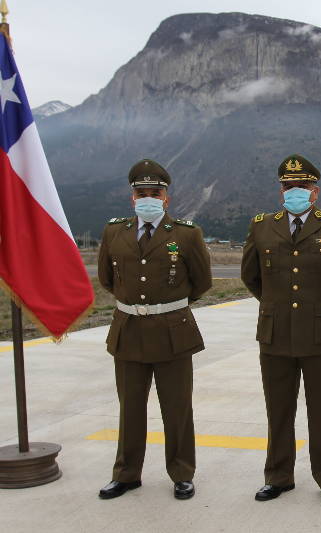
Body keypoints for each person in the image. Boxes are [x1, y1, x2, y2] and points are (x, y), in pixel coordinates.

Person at [241, 153, 321, 505]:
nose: (295, 190)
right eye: (288, 186)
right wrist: (274, 306)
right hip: (275, 332)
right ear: (280, 191)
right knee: (277, 409)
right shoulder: (262, 226)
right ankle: (278, 476)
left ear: (315, 191)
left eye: (302, 186)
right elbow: (250, 276)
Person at [96, 159, 212, 500]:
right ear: (132, 198)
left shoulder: (187, 234)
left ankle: (181, 473)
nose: (148, 197)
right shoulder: (114, 232)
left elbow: (202, 283)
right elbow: (106, 278)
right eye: (141, 192)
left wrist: (167, 308)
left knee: (177, 408)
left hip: (173, 331)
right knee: (130, 407)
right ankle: (127, 473)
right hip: (128, 330)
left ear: (167, 198)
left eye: (155, 192)